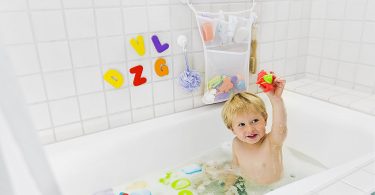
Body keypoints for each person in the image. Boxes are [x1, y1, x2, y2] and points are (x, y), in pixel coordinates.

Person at [221, 78, 287, 185]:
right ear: (232, 129)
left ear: (265, 119)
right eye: (241, 124)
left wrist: (276, 100)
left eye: (255, 121)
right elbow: (234, 168)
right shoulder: (237, 144)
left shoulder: (271, 142)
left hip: (276, 189)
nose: (250, 129)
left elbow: (280, 128)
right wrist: (228, 188)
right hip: (251, 189)